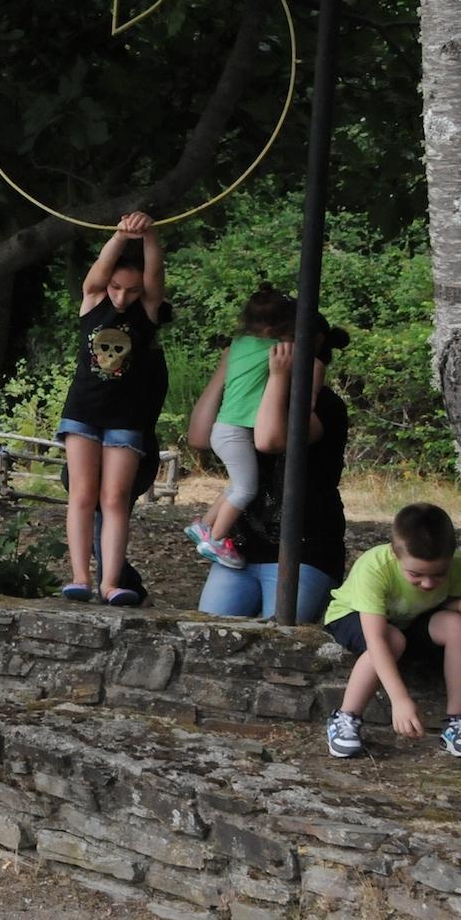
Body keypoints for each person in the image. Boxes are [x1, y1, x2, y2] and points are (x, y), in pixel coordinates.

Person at [196, 313, 351, 622]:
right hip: (243, 546)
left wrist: (280, 377)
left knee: (282, 636)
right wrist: (226, 369)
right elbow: (199, 436)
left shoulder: (325, 404)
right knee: (208, 631)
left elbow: (270, 440)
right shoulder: (245, 398)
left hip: (305, 548)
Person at [57, 212, 164, 607]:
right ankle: (80, 577)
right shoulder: (92, 301)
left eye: (131, 290)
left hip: (126, 417)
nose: (121, 297)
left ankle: (110, 583)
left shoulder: (147, 311)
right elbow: (100, 271)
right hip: (83, 411)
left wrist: (148, 235)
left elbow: (155, 275)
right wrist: (121, 235)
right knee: (82, 494)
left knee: (116, 499)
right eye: (116, 287)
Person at [321, 502, 461, 759]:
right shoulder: (375, 566)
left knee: (456, 626)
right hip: (353, 615)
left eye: (439, 575)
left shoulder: (456, 566)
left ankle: (456, 721)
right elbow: (375, 638)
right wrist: (400, 699)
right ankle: (346, 717)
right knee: (392, 640)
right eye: (416, 574)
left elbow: (447, 599)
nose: (428, 583)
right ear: (395, 554)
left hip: (410, 618)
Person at [184, 286, 299, 569]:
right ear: (273, 329)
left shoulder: (237, 345)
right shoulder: (275, 349)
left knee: (237, 485)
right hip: (235, 431)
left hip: (224, 429)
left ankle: (204, 525)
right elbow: (296, 353)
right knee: (246, 490)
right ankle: (217, 539)